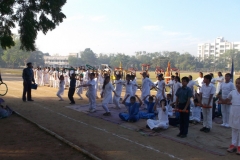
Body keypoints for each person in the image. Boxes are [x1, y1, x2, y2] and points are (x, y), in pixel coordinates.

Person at [219, 78, 240, 154]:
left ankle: (239, 146)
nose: (237, 85)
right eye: (236, 83)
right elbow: (226, 101)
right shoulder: (232, 92)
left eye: (239, 83)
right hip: (234, 112)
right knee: (234, 129)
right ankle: (233, 145)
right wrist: (220, 98)